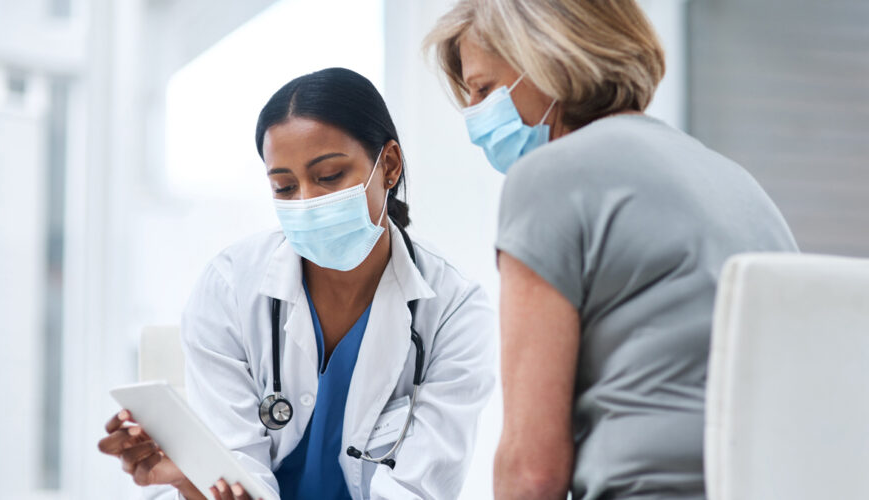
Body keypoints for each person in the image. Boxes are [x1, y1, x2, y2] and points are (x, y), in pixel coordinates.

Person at [424, 1, 798, 499]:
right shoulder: (739, 184)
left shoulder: (550, 177)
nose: (476, 121)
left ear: (547, 56)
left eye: (484, 90)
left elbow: (532, 473)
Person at [98, 67, 496, 500]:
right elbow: (235, 477)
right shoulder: (230, 288)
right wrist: (189, 480)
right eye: (285, 187)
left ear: (390, 165)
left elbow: (417, 490)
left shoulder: (454, 310)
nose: (307, 202)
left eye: (328, 177)